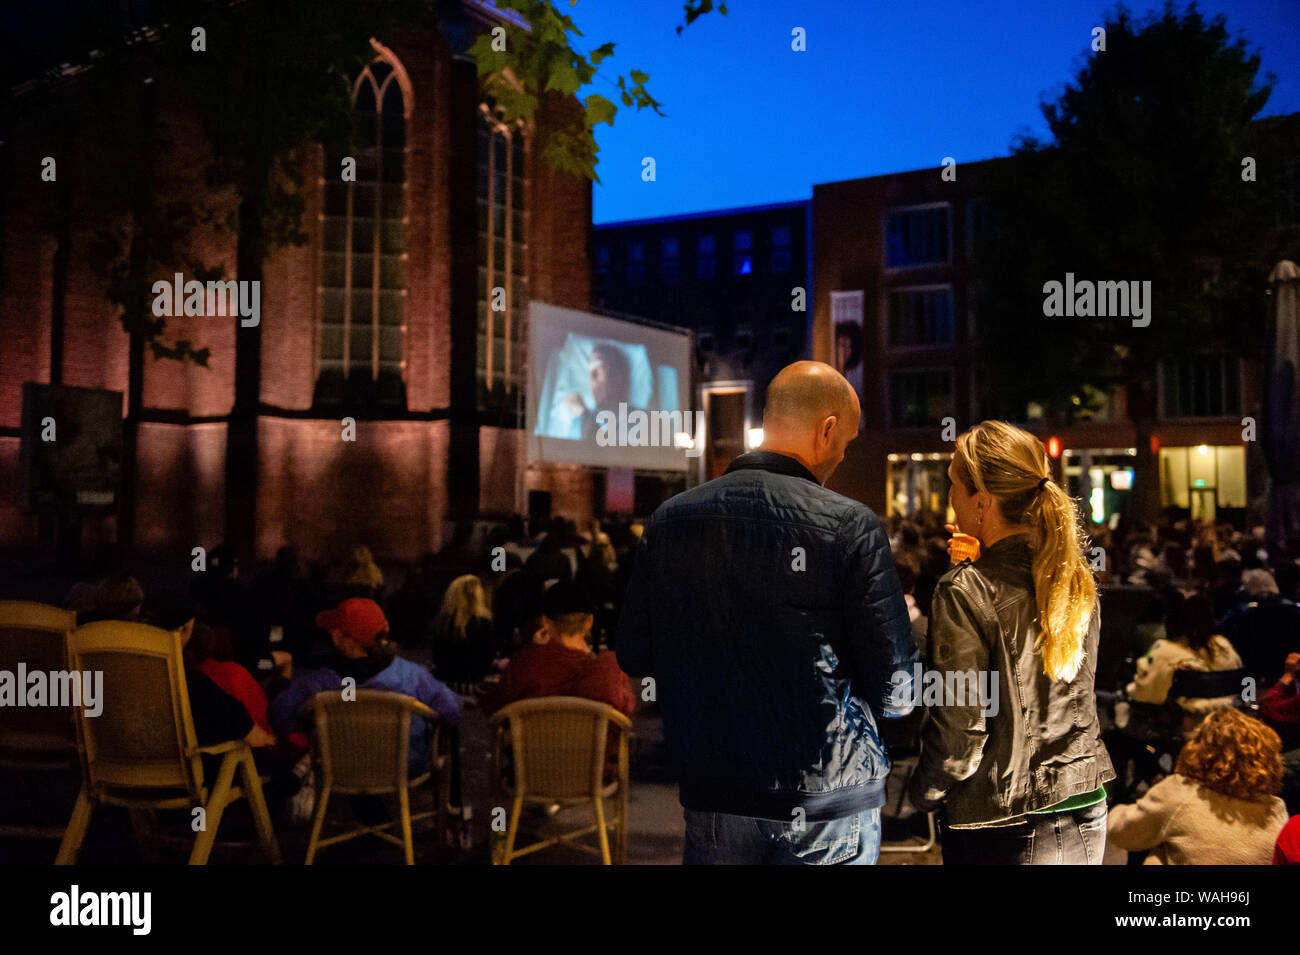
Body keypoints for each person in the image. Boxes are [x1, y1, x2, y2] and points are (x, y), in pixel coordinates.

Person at [617, 360, 916, 865]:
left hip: (715, 792)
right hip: (827, 797)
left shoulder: (670, 521)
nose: (846, 453)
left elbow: (636, 652)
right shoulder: (851, 526)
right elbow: (898, 691)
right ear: (827, 429)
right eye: (847, 439)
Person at [908, 420, 1115, 865]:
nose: (949, 499)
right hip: (1083, 800)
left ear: (981, 500)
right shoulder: (1073, 579)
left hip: (1000, 819)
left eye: (953, 487)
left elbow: (961, 729)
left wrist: (923, 792)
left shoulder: (964, 590)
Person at [269, 598, 461, 769]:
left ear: (339, 638)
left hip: (341, 763)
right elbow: (452, 709)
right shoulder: (412, 674)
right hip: (403, 763)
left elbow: (280, 714)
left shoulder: (320, 682)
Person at [1108, 708, 1289, 864]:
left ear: (1201, 750)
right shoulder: (1275, 811)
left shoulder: (1183, 793)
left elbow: (1120, 832)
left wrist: (1115, 812)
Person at [486, 580, 635, 719]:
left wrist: (533, 652)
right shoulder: (607, 669)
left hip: (534, 746)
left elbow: (496, 706)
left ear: (545, 622)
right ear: (589, 621)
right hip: (591, 746)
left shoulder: (526, 662)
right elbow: (626, 709)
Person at [1127, 589, 1243, 714]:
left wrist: (1129, 690)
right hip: (1225, 719)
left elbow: (1145, 694)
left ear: (1171, 619)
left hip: (1177, 725)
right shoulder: (1223, 645)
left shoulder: (1165, 651)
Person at [430, 575, 496, 687]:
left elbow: (437, 657)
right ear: (478, 596)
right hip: (473, 683)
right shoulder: (483, 623)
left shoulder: (442, 622)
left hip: (444, 682)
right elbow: (487, 658)